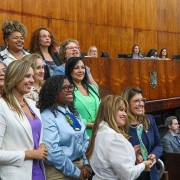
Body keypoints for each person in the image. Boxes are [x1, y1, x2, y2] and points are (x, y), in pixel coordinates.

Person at [37, 75, 92, 180]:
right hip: (59, 172)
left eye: (71, 87)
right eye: (65, 88)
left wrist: (86, 163)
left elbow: (85, 140)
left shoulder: (73, 113)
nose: (70, 90)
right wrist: (76, 172)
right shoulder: (47, 116)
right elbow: (53, 151)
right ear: (53, 91)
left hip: (82, 168)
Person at [0, 60, 47, 180]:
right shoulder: (2, 106)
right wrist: (29, 154)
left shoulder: (32, 104)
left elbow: (34, 136)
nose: (32, 80)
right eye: (27, 76)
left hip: (39, 173)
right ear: (14, 77)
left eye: (32, 76)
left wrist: (41, 145)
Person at [86, 95, 152, 180]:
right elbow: (128, 175)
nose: (125, 114)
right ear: (110, 111)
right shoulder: (115, 139)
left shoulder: (98, 133)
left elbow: (109, 160)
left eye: (125, 110)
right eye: (121, 110)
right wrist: (143, 165)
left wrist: (132, 151)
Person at [120, 86, 163, 180]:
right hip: (134, 175)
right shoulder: (120, 125)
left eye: (142, 100)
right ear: (126, 103)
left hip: (152, 175)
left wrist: (154, 154)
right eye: (136, 101)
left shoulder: (149, 119)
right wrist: (133, 153)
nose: (141, 104)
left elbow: (159, 144)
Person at [65, 57, 100, 137]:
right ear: (69, 70)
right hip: (80, 134)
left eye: (83, 67)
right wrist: (88, 124)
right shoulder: (67, 90)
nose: (81, 71)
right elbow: (66, 114)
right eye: (76, 68)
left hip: (99, 133)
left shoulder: (92, 88)